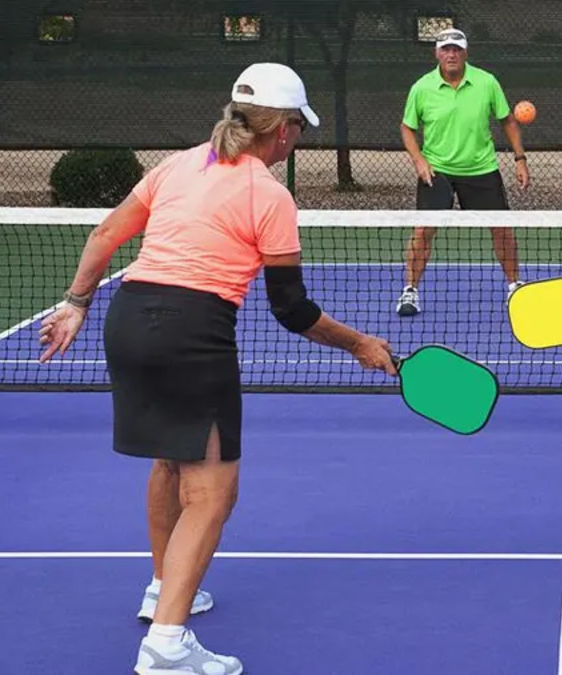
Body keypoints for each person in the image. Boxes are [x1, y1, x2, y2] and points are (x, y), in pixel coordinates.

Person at [37, 63, 396, 674]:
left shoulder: (180, 163)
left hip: (127, 319)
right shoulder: (269, 195)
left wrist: (75, 303)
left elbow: (105, 234)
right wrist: (359, 343)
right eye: (298, 128)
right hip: (190, 336)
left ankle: (163, 587)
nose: (297, 139)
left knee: (169, 459)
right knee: (212, 492)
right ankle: (167, 645)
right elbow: (292, 309)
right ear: (281, 130)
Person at [397, 27, 530, 316]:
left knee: (502, 229)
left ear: (465, 52)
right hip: (437, 171)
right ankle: (410, 292)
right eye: (445, 49)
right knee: (423, 231)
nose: (451, 54)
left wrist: (520, 159)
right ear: (437, 53)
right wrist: (419, 160)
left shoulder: (487, 82)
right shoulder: (422, 87)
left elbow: (507, 121)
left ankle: (514, 287)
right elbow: (407, 128)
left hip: (481, 169)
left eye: (456, 49)